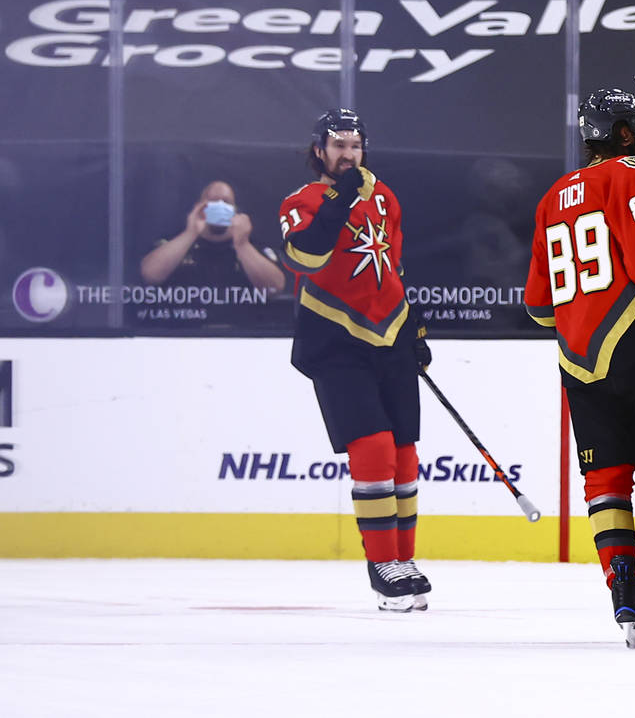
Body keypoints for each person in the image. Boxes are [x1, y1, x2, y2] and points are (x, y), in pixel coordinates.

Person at [524, 87, 635, 649]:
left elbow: (538, 305)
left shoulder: (553, 194)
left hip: (577, 358)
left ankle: (624, 590)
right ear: (626, 135)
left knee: (605, 481)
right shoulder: (633, 171)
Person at [278, 108, 434, 613]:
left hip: (389, 333)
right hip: (334, 339)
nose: (347, 154)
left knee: (405, 453)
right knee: (373, 448)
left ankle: (404, 562)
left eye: (355, 144)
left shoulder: (385, 197)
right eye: (337, 145)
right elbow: (306, 256)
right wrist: (342, 197)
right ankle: (382, 562)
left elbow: (395, 267)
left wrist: (414, 330)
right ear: (319, 151)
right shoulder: (299, 202)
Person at [140, 180, 286, 292]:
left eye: (226, 202)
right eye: (214, 200)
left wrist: (242, 245)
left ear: (235, 209)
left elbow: (275, 288)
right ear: (199, 206)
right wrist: (191, 233)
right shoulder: (174, 243)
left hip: (240, 329)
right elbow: (150, 276)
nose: (220, 205)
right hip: (185, 329)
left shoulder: (252, 246)